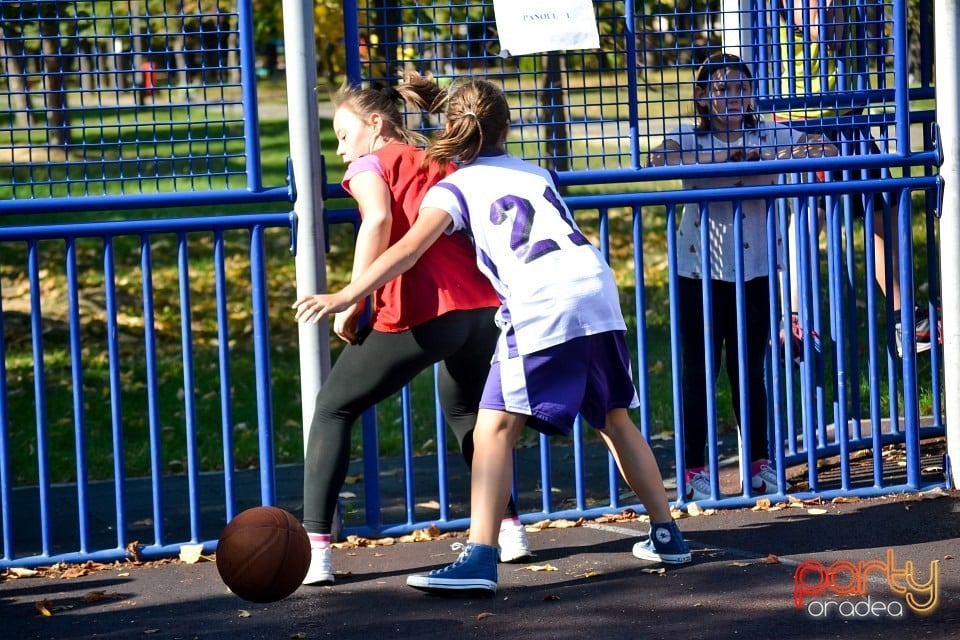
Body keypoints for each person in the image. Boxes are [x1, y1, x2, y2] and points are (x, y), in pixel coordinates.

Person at [294, 77, 692, 596]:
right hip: (595, 285)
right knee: (614, 417)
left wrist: (347, 294)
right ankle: (667, 535)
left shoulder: (456, 184)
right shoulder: (536, 171)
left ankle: (479, 559)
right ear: (507, 127)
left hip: (540, 300)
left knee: (493, 430)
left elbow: (408, 250)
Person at [295, 74, 530, 587]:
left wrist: (351, 298)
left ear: (375, 124)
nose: (339, 150)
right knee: (470, 414)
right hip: (480, 307)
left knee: (334, 407)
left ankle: (314, 550)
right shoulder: (436, 154)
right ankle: (509, 528)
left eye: (341, 134)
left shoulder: (370, 163)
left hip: (426, 308)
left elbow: (378, 220)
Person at [646, 52, 837, 502]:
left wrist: (767, 156)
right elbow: (657, 161)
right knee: (699, 371)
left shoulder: (768, 133)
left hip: (755, 270)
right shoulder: (687, 138)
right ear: (702, 96)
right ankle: (694, 469)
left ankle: (758, 461)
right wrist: (733, 168)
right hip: (699, 270)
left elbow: (824, 148)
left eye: (740, 88)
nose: (731, 97)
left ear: (752, 94)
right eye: (721, 89)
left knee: (750, 368)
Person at [775, 0, 935, 358]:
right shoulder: (796, 9)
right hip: (810, 125)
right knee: (807, 216)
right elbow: (824, 34)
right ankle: (793, 319)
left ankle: (903, 319)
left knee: (884, 212)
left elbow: (838, 37)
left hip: (849, 123)